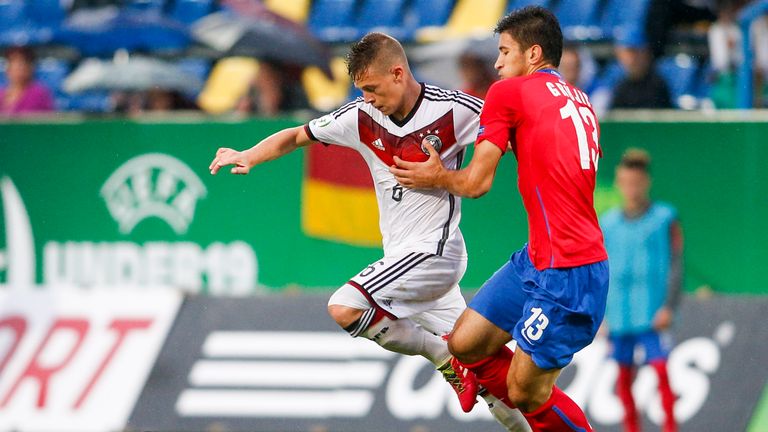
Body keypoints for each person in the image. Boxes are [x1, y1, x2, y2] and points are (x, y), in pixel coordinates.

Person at [210, 32, 529, 431]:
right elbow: (296, 135)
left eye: (372, 89)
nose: (367, 99)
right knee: (496, 384)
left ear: (398, 73)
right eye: (361, 91)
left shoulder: (455, 111)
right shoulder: (360, 117)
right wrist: (248, 156)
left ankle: (444, 358)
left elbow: (518, 140)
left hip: (435, 252)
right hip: (405, 261)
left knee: (345, 306)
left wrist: (447, 175)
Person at [391, 7, 608, 431]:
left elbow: (476, 184)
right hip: (539, 258)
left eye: (504, 51)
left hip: (569, 271)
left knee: (526, 392)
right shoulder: (580, 100)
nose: (496, 63)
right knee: (465, 344)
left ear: (533, 53)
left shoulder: (508, 94)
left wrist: (436, 176)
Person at [600, 149, 682, 432]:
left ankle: (671, 427)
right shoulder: (607, 223)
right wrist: (602, 315)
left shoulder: (665, 217)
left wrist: (669, 306)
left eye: (637, 183)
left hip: (651, 311)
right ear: (619, 183)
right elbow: (601, 272)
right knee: (623, 377)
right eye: (626, 183)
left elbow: (676, 265)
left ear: (646, 182)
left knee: (661, 372)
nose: (632, 189)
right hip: (619, 313)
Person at [610, 31, 673, 110]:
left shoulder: (658, 85)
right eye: (629, 53)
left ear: (647, 53)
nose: (632, 59)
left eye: (637, 53)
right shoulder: (620, 87)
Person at [0, 46, 54, 116]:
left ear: (30, 67)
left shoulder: (39, 94)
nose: (18, 69)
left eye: (22, 64)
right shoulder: (1, 93)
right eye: (14, 64)